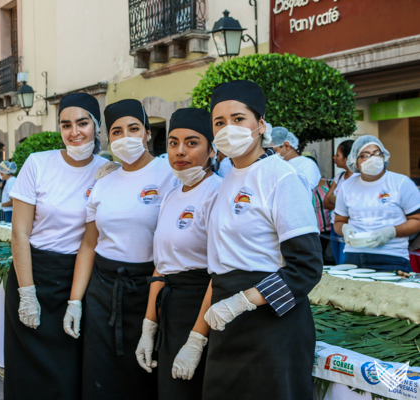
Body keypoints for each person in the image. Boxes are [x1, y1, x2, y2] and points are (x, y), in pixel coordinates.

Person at [191, 80, 322, 400]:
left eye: (238, 119)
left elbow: (306, 267)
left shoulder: (283, 177)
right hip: (226, 321)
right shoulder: (224, 180)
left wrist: (243, 301)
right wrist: (197, 337)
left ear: (261, 124)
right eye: (219, 122)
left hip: (272, 323)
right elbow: (221, 263)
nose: (228, 128)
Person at [63, 99, 178, 400]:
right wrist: (75, 301)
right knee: (100, 378)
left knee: (143, 379)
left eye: (133, 128)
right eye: (117, 131)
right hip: (103, 294)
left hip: (150, 291)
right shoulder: (104, 180)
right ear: (109, 137)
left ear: (147, 133)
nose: (125, 137)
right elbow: (89, 244)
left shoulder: (170, 174)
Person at [4, 93, 107, 400]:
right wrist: (27, 293)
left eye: (82, 123)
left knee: (69, 371)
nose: (74, 132)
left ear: (96, 125)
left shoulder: (107, 171)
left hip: (77, 280)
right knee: (27, 374)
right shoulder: (38, 164)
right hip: (32, 273)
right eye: (66, 124)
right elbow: (19, 233)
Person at [135, 108, 221, 399]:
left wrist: (197, 339)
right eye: (173, 143)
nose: (180, 151)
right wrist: (149, 326)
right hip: (169, 308)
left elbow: (220, 273)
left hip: (202, 309)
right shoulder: (172, 194)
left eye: (192, 142)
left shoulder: (217, 193)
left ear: (212, 148)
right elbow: (161, 266)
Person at [334, 135, 420, 272]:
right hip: (353, 257)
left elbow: (417, 220)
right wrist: (345, 229)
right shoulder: (347, 186)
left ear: (384, 156)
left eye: (377, 153)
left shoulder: (401, 183)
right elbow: (338, 221)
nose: (372, 158)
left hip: (392, 257)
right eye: (365, 155)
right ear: (354, 162)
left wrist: (391, 232)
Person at [324, 140, 354, 264]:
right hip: (334, 224)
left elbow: (351, 206)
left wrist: (336, 202)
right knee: (337, 262)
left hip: (348, 226)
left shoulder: (357, 179)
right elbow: (326, 201)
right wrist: (341, 203)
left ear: (347, 158)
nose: (334, 157)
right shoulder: (339, 176)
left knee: (344, 262)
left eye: (338, 155)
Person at [271, 126, 321, 191]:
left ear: (287, 145)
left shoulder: (307, 164)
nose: (273, 154)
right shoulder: (276, 164)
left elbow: (304, 190)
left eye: (275, 150)